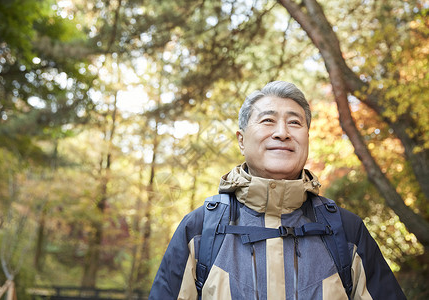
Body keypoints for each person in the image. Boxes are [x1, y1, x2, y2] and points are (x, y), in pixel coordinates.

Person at [149, 81, 406, 299]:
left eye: (294, 122)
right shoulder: (199, 230)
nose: (282, 133)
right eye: (268, 120)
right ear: (241, 140)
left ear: (307, 137)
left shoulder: (347, 231)